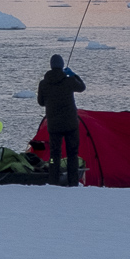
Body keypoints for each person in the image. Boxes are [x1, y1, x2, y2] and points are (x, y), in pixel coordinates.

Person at [35, 55, 86, 185]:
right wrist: (73, 75)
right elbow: (82, 87)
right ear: (62, 65)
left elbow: (41, 102)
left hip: (53, 124)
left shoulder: (44, 83)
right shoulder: (69, 81)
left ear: (51, 65)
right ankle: (73, 182)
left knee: (54, 155)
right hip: (70, 124)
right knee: (72, 154)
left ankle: (53, 180)